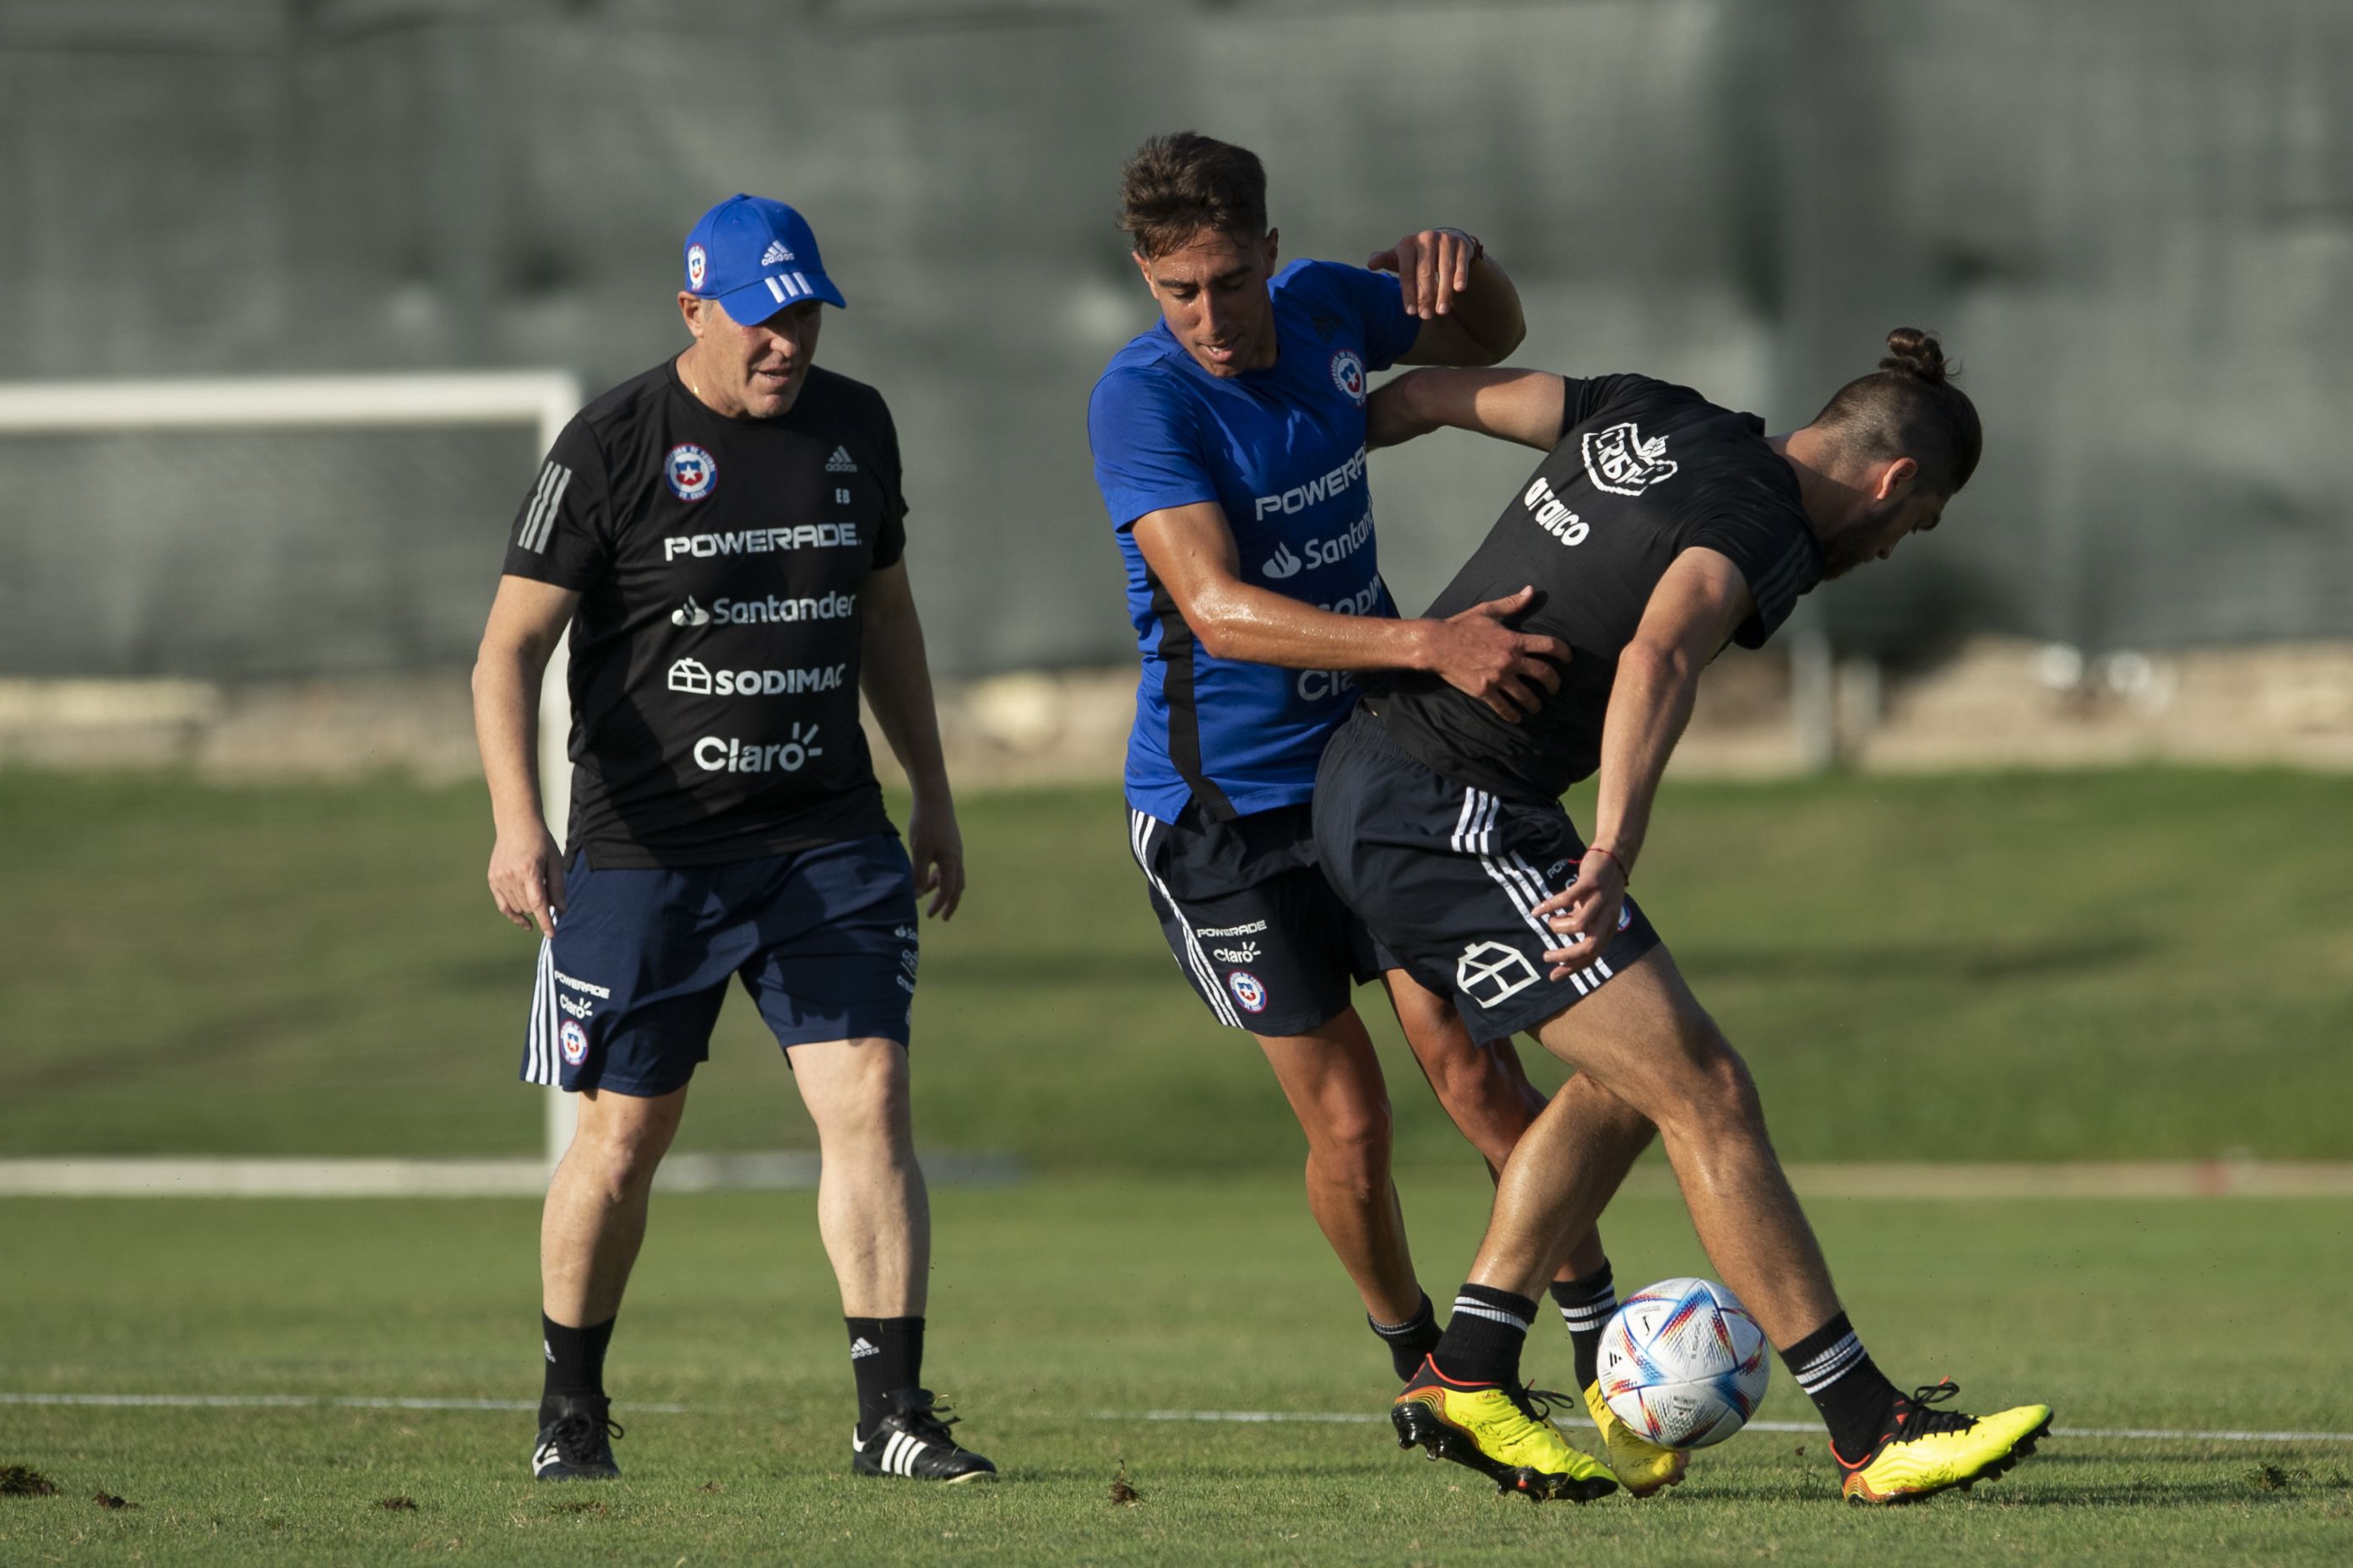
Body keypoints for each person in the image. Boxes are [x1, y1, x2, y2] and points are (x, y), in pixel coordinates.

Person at [1312, 330, 2053, 1506]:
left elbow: (1438, 395)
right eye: (1911, 526)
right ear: (1894, 480)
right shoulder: (1764, 516)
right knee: (1706, 1086)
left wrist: (1298, 451)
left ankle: (1470, 1365)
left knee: (1631, 1078)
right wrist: (1612, 844)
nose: (1892, 545)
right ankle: (1870, 1426)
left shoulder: (1649, 407)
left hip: (1410, 780)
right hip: (1444, 803)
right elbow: (1662, 646)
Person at [1087, 132, 1675, 1494]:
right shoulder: (1141, 399)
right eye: (1177, 290)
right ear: (1144, 280)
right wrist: (1429, 646)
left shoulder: (1327, 313)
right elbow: (1217, 614)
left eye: (1229, 281)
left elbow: (1494, 328)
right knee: (1349, 1120)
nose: (1209, 316)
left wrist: (1460, 269)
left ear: (1273, 255)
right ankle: (1422, 1361)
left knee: (1472, 1063)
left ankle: (1593, 1339)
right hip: (1220, 813)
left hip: (1365, 767)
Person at [472, 193, 993, 1484]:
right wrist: (515, 823)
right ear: (695, 310)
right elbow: (507, 651)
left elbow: (887, 620)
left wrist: (929, 785)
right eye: (764, 318)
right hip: (648, 855)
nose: (787, 342)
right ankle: (571, 1409)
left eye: (806, 313)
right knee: (626, 1136)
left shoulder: (855, 424)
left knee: (867, 1096)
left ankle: (893, 1414)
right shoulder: (609, 444)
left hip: (823, 838)